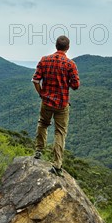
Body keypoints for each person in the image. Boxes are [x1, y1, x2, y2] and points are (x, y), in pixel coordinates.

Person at [32, 35, 80, 176]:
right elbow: (76, 86)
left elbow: (35, 80)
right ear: (68, 47)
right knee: (60, 132)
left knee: (43, 123)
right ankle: (57, 164)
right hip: (61, 104)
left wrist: (41, 94)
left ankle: (38, 150)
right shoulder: (70, 64)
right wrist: (67, 82)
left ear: (56, 46)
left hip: (46, 101)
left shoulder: (44, 60)